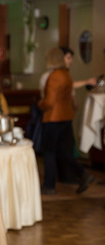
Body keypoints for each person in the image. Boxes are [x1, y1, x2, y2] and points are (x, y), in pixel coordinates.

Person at [38, 47, 94, 195]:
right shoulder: (66, 75)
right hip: (66, 117)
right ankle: (83, 174)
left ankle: (49, 186)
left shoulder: (53, 76)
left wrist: (40, 104)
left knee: (49, 152)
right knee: (65, 153)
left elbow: (49, 102)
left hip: (53, 118)